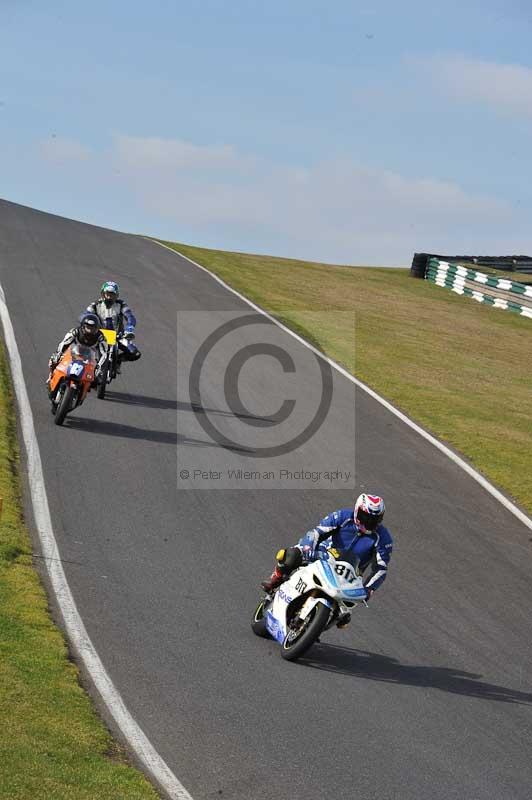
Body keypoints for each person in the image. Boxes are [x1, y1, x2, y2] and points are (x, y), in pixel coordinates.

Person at [261, 493, 393, 628]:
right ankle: (275, 578)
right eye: (365, 517)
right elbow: (317, 532)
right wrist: (308, 548)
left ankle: (319, 624)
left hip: (349, 574)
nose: (368, 522)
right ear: (356, 510)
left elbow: (381, 568)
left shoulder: (383, 538)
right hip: (324, 555)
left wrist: (369, 588)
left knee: (344, 617)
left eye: (374, 519)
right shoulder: (342, 516)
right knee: (292, 555)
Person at [86, 280, 141, 368]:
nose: (109, 297)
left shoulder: (121, 304)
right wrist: (86, 322)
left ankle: (117, 361)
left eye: (112, 294)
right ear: (103, 294)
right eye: (107, 294)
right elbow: (85, 315)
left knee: (135, 353)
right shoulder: (95, 304)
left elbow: (130, 316)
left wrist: (130, 328)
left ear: (116, 295)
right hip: (99, 335)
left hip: (117, 336)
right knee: (81, 346)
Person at [47, 312, 108, 388]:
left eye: (92, 328)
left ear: (97, 328)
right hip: (73, 351)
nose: (89, 330)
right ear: (83, 326)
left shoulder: (100, 337)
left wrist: (99, 366)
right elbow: (64, 342)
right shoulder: (75, 331)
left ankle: (85, 386)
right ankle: (51, 375)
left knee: (97, 379)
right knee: (53, 360)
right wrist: (59, 353)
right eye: (88, 327)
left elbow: (104, 353)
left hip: (91, 356)